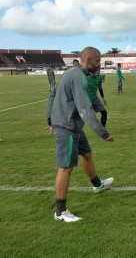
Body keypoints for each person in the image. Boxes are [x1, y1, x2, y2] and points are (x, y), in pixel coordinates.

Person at [46, 47, 114, 222]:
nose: (99, 65)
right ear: (89, 59)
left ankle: (97, 185)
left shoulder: (73, 73)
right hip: (67, 127)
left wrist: (49, 120)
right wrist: (104, 133)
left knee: (87, 153)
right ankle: (60, 211)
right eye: (98, 61)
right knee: (66, 167)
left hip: (72, 125)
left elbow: (53, 94)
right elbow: (85, 110)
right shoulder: (78, 76)